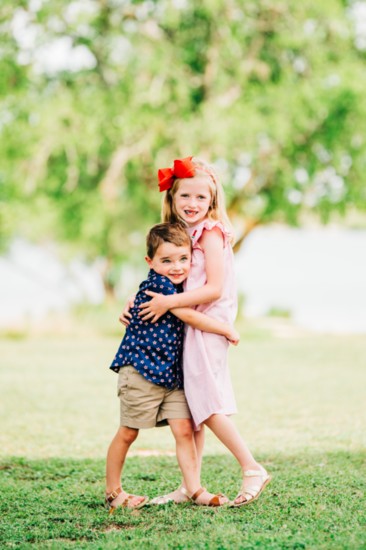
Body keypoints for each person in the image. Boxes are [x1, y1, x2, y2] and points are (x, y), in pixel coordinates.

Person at [132, 156, 271, 507]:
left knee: (206, 405)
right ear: (172, 199)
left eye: (201, 198)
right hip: (188, 323)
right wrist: (137, 303)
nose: (192, 204)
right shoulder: (182, 235)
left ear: (212, 202)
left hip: (206, 323)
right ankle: (190, 485)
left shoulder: (209, 232)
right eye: (185, 197)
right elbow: (165, 280)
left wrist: (167, 305)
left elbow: (214, 289)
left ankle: (251, 466)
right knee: (193, 411)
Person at [106, 222, 239, 512]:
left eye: (183, 259)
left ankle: (194, 489)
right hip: (140, 371)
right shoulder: (160, 288)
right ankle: (113, 490)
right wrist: (225, 329)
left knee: (184, 429)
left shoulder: (181, 286)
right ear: (150, 262)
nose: (177, 267)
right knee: (129, 431)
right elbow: (190, 317)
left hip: (170, 374)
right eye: (166, 260)